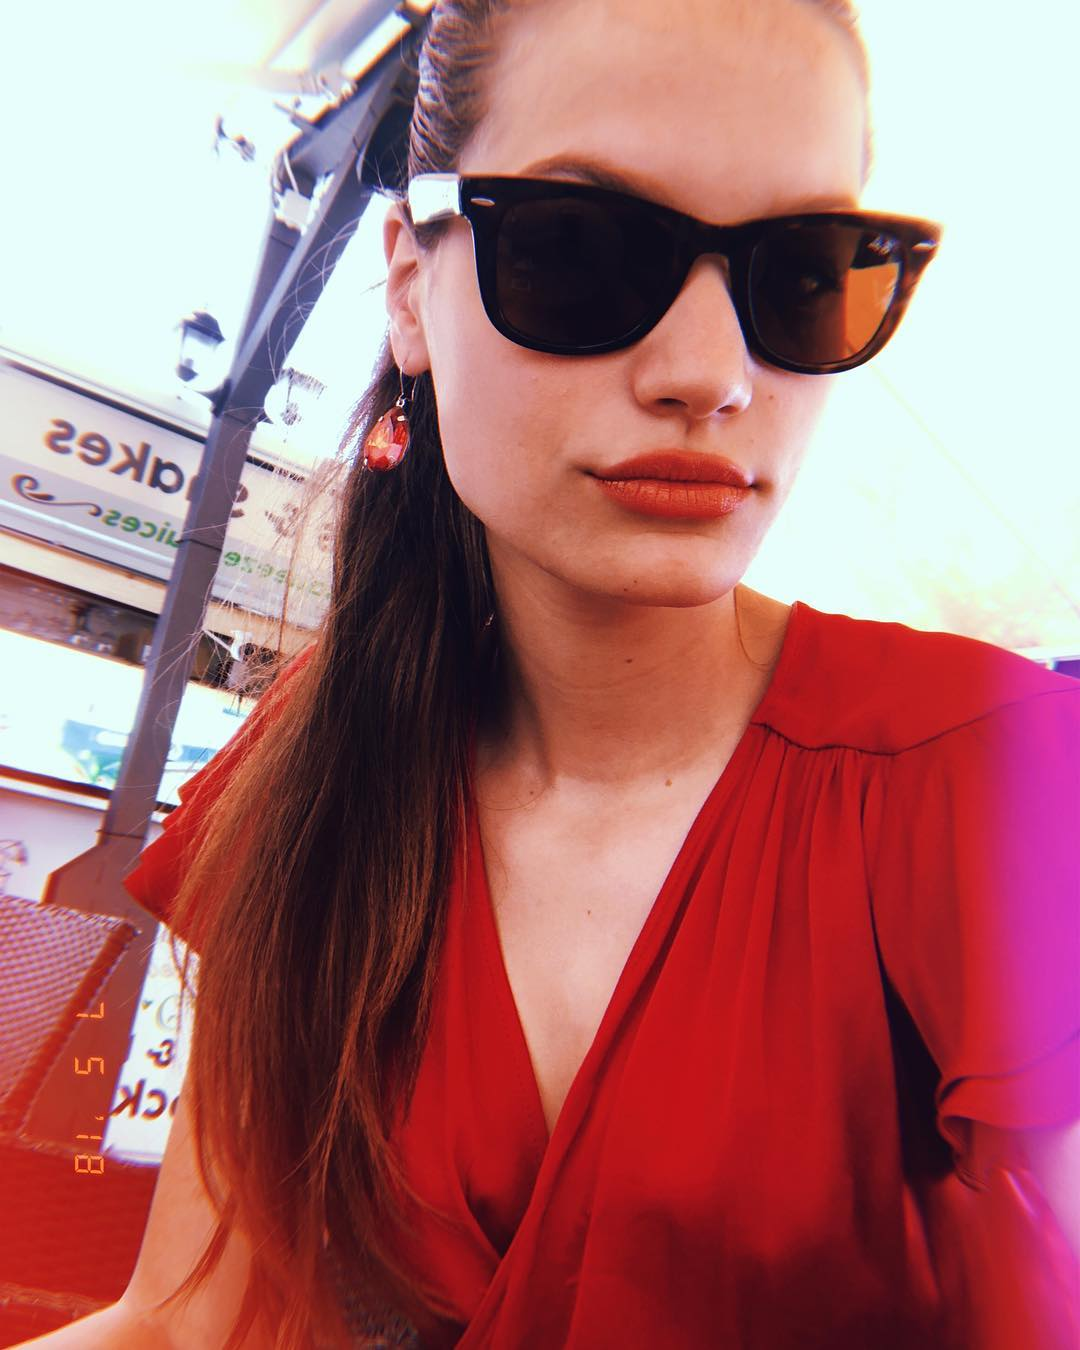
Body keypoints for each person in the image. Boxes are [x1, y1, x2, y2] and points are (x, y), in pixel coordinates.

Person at [19, 0, 1079, 1346]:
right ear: (410, 286)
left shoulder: (990, 771)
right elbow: (184, 1318)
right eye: (579, 251)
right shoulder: (312, 768)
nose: (710, 375)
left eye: (807, 275)